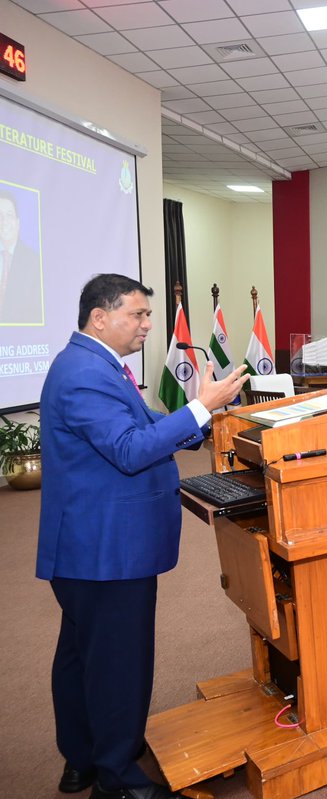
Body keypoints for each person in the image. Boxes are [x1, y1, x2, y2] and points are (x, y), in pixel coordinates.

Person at [38, 274, 248, 799]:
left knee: (81, 654)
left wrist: (198, 416)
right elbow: (131, 449)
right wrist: (201, 406)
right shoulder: (85, 372)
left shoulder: (95, 364)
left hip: (88, 546)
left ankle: (82, 759)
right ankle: (120, 780)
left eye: (148, 315)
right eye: (138, 314)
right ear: (100, 317)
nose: (148, 325)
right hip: (106, 549)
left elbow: (142, 420)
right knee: (118, 663)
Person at [0, 189, 44, 324]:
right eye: (0, 215)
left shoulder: (34, 261)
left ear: (17, 223)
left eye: (9, 215)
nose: (4, 221)